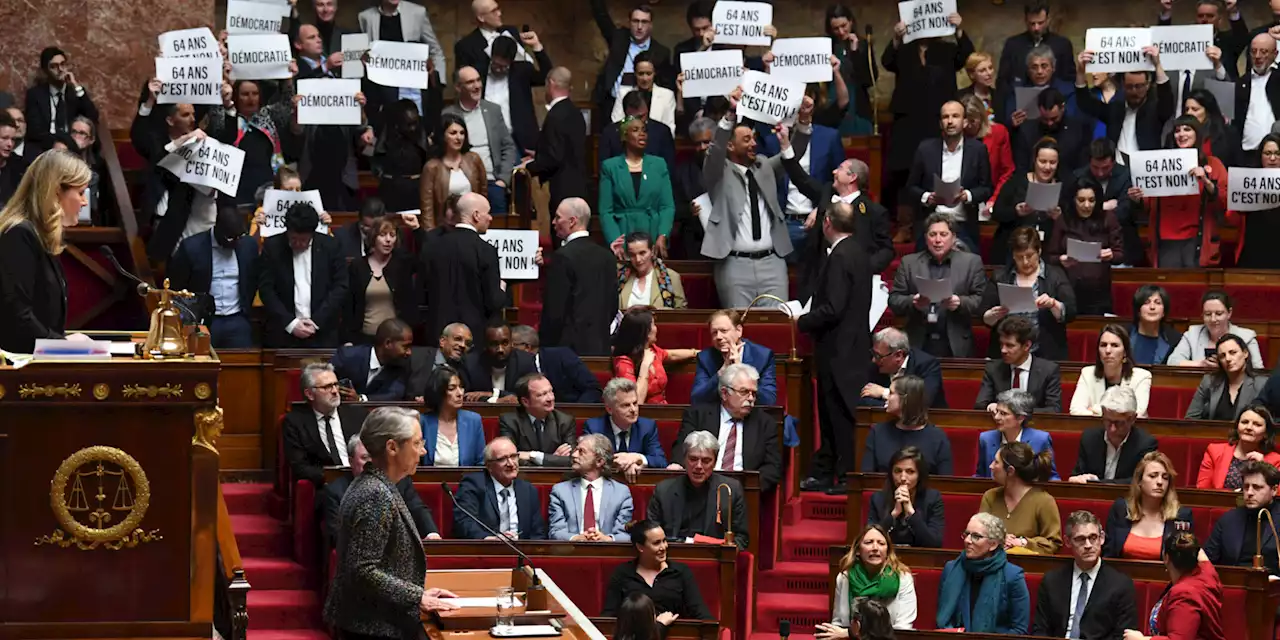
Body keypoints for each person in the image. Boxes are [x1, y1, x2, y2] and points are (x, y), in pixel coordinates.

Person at [323, 407, 459, 637]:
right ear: (392, 447)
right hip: (371, 627)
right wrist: (417, 598)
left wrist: (417, 593)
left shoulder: (376, 485)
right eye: (416, 443)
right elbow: (363, 570)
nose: (423, 451)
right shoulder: (374, 494)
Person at [882, 9, 974, 245]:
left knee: (933, 169)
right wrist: (896, 37)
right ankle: (905, 225)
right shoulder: (905, 48)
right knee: (903, 171)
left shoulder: (946, 48)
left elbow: (967, 56)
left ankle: (936, 224)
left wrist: (959, 29)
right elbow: (887, 61)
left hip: (936, 117)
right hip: (907, 118)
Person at [800, 200, 874, 494]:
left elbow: (833, 308)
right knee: (835, 414)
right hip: (849, 347)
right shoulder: (857, 251)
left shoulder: (841, 256)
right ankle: (828, 470)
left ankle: (845, 475)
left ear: (827, 222)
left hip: (840, 351)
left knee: (840, 415)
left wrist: (802, 321)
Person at [700, 88, 796, 307]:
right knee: (738, 330)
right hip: (734, 264)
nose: (754, 143)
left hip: (773, 263)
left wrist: (803, 125)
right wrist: (730, 115)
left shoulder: (764, 166)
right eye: (747, 140)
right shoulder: (717, 171)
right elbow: (714, 150)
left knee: (775, 327)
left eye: (753, 138)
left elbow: (791, 157)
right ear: (731, 146)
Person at [779, 132, 894, 302]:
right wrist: (786, 147)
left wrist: (864, 267)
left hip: (851, 286)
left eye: (840, 169)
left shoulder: (873, 211)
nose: (834, 171)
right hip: (817, 281)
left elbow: (887, 250)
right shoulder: (826, 193)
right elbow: (801, 179)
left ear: (852, 177)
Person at [0, 149, 89, 353]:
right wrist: (62, 346)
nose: (84, 202)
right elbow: (17, 317)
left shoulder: (38, 236)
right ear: (57, 191)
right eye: (81, 193)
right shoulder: (18, 234)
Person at [1131, 116, 1228, 268]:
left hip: (1197, 241)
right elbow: (1148, 204)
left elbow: (1225, 201)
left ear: (1198, 134)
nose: (1181, 134)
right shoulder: (1160, 163)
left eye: (1187, 129)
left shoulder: (1213, 164)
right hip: (1166, 240)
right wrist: (1137, 198)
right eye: (1177, 131)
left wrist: (1206, 181)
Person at [671, 363, 782, 493]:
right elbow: (682, 449)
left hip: (744, 493)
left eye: (754, 393)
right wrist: (678, 465)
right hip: (699, 489)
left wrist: (746, 488)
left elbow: (772, 467)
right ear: (724, 393)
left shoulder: (765, 423)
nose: (751, 399)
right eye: (744, 392)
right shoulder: (698, 416)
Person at [888, 213, 987, 359]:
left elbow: (981, 301)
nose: (938, 240)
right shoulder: (909, 263)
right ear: (926, 237)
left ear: (953, 237)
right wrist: (913, 301)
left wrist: (960, 302)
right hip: (919, 339)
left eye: (943, 234)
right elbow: (894, 300)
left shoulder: (971, 262)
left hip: (955, 341)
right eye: (933, 234)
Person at [1032, 511, 1138, 639]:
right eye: (1080, 539)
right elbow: (1040, 630)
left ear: (1102, 538)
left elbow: (1122, 636)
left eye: (1093, 538)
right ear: (1068, 541)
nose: (1088, 545)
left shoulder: (1121, 585)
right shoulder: (1051, 582)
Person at [323, 433, 440, 548]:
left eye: (373, 458)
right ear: (351, 461)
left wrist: (431, 532)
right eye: (364, 458)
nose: (370, 463)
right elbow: (337, 535)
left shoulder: (400, 481)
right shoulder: (336, 491)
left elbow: (417, 508)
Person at [166, 205, 259, 349]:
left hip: (236, 318)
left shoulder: (248, 245)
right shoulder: (191, 247)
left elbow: (252, 280)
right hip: (203, 320)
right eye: (230, 238)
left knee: (244, 362)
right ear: (217, 229)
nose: (235, 242)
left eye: (239, 237)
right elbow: (177, 286)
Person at [905, 101, 993, 250]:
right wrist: (928, 197)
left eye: (955, 116)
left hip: (963, 225)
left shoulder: (978, 150)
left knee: (970, 267)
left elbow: (986, 188)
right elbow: (911, 187)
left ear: (965, 122)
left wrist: (968, 195)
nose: (950, 121)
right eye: (945, 117)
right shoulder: (925, 149)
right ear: (940, 123)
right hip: (932, 223)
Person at [258, 203, 349, 348]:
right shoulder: (273, 246)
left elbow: (340, 286)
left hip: (322, 333)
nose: (298, 244)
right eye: (293, 239)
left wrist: (317, 321)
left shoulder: (331, 246)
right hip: (283, 333)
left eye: (304, 240)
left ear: (312, 233)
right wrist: (291, 323)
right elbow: (266, 290)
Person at [980, 228, 1077, 363]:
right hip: (1007, 353)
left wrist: (1053, 304)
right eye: (1019, 257)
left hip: (1046, 354)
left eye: (1030, 255)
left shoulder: (1056, 275)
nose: (1025, 262)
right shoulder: (1000, 276)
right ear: (1013, 255)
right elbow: (984, 317)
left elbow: (1071, 312)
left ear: (1039, 251)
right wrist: (994, 315)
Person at [421, 193, 504, 346]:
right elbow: (493, 302)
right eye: (488, 213)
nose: (491, 218)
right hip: (473, 338)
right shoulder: (486, 251)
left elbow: (422, 290)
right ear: (476, 215)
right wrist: (502, 288)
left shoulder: (431, 247)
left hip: (438, 333)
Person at [540, 197, 616, 356]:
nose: (554, 222)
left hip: (568, 350)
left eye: (558, 217)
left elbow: (555, 311)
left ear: (572, 221)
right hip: (600, 346)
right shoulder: (607, 256)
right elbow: (612, 306)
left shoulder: (562, 257)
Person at [647, 431, 749, 550]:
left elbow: (741, 539)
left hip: (713, 559)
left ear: (715, 462)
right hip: (671, 557)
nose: (699, 466)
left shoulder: (731, 490)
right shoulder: (663, 491)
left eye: (706, 461)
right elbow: (650, 536)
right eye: (693, 459)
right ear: (684, 459)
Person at [601, 520, 714, 621]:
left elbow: (700, 612)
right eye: (656, 543)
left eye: (664, 541)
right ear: (640, 547)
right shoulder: (622, 574)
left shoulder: (681, 572)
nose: (663, 547)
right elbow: (609, 616)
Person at [1074, 48, 1174, 162]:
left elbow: (1167, 100)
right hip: (1117, 170)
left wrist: (1158, 65)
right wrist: (1081, 71)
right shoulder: (1114, 109)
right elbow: (1085, 103)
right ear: (1122, 85)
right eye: (1129, 87)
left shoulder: (1155, 110)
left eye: (1139, 86)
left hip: (1145, 170)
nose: (1134, 91)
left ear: (1147, 85)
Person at [936, 512, 1030, 633]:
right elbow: (943, 618)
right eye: (967, 534)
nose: (968, 540)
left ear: (993, 544)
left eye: (976, 536)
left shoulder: (1013, 576)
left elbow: (1019, 630)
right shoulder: (951, 569)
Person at [1122, 531, 1224, 640]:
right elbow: (1201, 554)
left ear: (1166, 558)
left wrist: (1142, 639)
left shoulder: (1184, 595)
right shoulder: (1208, 572)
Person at [282, 363, 367, 489]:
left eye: (335, 385)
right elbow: (300, 467)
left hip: (360, 480)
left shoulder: (357, 414)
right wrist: (334, 478)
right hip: (325, 486)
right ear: (310, 394)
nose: (334, 391)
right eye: (327, 387)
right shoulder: (295, 422)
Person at [1046, 180, 1125, 315]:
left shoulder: (1108, 218)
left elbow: (1120, 254)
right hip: (1068, 288)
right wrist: (1061, 259)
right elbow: (1049, 256)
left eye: (1091, 200)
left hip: (1099, 291)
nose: (1086, 205)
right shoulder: (1064, 219)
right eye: (1081, 200)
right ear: (1073, 200)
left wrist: (1111, 254)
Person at [444, 67, 516, 214]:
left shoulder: (493, 110)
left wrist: (503, 180)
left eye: (478, 80)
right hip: (463, 184)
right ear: (458, 87)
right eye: (470, 82)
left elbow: (508, 146)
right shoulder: (448, 114)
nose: (477, 86)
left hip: (493, 183)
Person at [599, 117, 675, 251]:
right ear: (624, 136)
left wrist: (662, 235)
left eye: (644, 130)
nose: (642, 134)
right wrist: (615, 241)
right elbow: (606, 211)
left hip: (652, 234)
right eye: (635, 130)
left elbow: (667, 206)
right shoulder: (610, 167)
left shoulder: (659, 164)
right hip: (623, 234)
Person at [451, 436, 548, 539]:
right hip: (487, 551)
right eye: (502, 459)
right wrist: (489, 539)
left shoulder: (528, 490)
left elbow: (538, 532)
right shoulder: (474, 485)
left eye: (513, 456)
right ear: (489, 466)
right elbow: (464, 522)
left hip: (521, 552)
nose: (511, 464)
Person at [589, 0, 671, 119]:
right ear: (629, 22)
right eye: (635, 21)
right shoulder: (618, 38)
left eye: (644, 22)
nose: (639, 27)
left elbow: (664, 86)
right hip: (610, 103)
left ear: (651, 25)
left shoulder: (661, 52)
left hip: (642, 109)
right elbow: (601, 16)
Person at [1104, 451, 1193, 560]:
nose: (1160, 482)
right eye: (1153, 476)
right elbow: (1108, 554)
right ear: (1139, 481)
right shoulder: (1121, 509)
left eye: (1165, 477)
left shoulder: (1181, 515)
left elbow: (1184, 561)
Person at [827, 524, 918, 631]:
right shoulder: (844, 578)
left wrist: (849, 635)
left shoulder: (903, 578)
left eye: (881, 543)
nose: (875, 548)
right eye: (868, 542)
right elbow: (838, 622)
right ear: (858, 550)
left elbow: (903, 629)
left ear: (887, 551)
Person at [345, 216, 419, 345]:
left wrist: (416, 230)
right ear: (374, 238)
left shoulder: (402, 264)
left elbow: (426, 255)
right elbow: (350, 305)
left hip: (396, 340)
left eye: (392, 235)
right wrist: (348, 340)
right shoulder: (358, 266)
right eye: (383, 235)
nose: (388, 240)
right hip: (364, 338)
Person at [991, 138, 1065, 265]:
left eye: (1052, 162)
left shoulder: (1064, 188)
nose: (1047, 167)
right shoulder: (1016, 182)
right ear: (1034, 161)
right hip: (1012, 250)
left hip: (1046, 253)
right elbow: (997, 213)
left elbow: (1072, 225)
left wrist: (1059, 218)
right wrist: (1016, 212)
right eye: (1043, 161)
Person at [861, 375, 954, 476]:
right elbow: (867, 479)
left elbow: (945, 482)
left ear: (905, 399)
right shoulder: (877, 432)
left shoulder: (937, 438)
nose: (887, 397)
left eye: (891, 393)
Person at [548, 434, 634, 541]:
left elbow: (624, 534)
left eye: (581, 452)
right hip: (572, 551)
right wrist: (576, 538)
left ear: (599, 461)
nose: (574, 455)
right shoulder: (560, 491)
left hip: (608, 552)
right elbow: (556, 531)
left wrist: (607, 539)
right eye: (575, 450)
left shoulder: (621, 493)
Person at [1069, 138, 1140, 267]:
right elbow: (1073, 212)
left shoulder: (1127, 175)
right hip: (1086, 243)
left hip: (1120, 246)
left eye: (1105, 168)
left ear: (1113, 162)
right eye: (1095, 167)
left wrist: (1089, 210)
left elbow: (1124, 212)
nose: (1100, 172)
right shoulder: (1078, 176)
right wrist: (1104, 206)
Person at [980, 442, 1062, 555]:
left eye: (996, 462)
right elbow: (978, 534)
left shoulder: (1044, 501)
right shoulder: (990, 497)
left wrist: (1022, 542)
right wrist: (999, 540)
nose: (991, 466)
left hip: (1029, 567)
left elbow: (1053, 543)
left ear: (1010, 471)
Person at [524, 67, 587, 213]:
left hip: (561, 190)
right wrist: (540, 153)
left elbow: (553, 158)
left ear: (550, 83)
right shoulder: (575, 113)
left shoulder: (554, 116)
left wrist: (528, 167)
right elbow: (568, 149)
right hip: (579, 187)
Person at [973, 316, 1064, 413]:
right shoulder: (993, 368)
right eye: (1001, 344)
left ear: (1027, 345)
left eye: (1010, 345)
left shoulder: (1048, 370)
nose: (1003, 350)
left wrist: (1016, 412)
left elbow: (1054, 409)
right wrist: (990, 406)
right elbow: (980, 404)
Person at [1069, 386, 1159, 484]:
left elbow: (1140, 481)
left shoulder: (1145, 444)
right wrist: (1077, 479)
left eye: (1119, 423)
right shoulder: (1089, 438)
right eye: (1108, 421)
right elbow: (1077, 474)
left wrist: (1098, 483)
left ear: (1133, 419)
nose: (1112, 429)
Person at [611, 306, 699, 405]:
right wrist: (644, 367)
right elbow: (635, 403)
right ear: (646, 332)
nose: (656, 328)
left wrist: (696, 353)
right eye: (653, 325)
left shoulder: (653, 350)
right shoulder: (624, 362)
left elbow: (671, 355)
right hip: (642, 416)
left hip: (663, 411)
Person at [1204, 460, 1280, 572]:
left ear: (1273, 490)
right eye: (1246, 487)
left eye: (1257, 487)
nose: (1249, 492)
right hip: (1233, 583)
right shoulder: (1228, 520)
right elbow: (1208, 561)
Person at [583, 377, 668, 476]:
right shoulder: (594, 428)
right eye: (626, 405)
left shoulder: (647, 427)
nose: (633, 409)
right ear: (609, 409)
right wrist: (624, 463)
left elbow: (661, 461)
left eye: (635, 403)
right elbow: (587, 461)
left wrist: (637, 458)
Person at [23, 47, 100, 156]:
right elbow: (35, 131)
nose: (60, 69)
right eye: (54, 66)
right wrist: (60, 142)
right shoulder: (35, 95)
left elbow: (92, 117)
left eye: (63, 64)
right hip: (45, 149)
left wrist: (76, 86)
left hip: (73, 148)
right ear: (45, 71)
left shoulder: (74, 93)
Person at [691, 310, 777, 406]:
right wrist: (721, 372)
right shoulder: (705, 358)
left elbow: (769, 400)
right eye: (714, 333)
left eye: (724, 331)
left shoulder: (762, 356)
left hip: (752, 416)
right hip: (718, 417)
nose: (718, 337)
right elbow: (696, 399)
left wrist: (740, 369)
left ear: (739, 331)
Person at [485, 35, 553, 155]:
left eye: (504, 66)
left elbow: (547, 76)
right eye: (496, 64)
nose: (499, 70)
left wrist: (537, 47)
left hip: (518, 140)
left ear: (512, 62)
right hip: (487, 138)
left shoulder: (522, 71)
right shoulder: (479, 72)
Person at [865, 447, 945, 549]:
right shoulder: (877, 499)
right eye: (897, 471)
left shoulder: (933, 499)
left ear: (919, 475)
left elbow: (935, 543)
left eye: (910, 472)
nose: (903, 478)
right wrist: (894, 514)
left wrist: (911, 513)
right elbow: (869, 540)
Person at [995, 1, 1076, 98]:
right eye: (1032, 23)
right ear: (1025, 20)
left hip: (1055, 102)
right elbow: (1003, 81)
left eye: (1040, 23)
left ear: (1048, 19)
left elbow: (1069, 79)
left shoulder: (1062, 44)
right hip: (1019, 102)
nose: (1036, 28)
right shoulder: (1013, 44)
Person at [356, 0, 447, 86]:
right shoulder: (365, 17)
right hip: (379, 85)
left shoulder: (417, 13)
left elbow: (435, 50)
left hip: (410, 84)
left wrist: (439, 80)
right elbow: (361, 51)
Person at [420, 113, 486, 230]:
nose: (459, 137)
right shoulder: (432, 167)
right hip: (444, 229)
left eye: (462, 133)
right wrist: (430, 236)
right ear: (443, 136)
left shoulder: (474, 160)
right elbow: (427, 209)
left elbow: (483, 196)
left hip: (471, 227)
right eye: (453, 133)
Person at [1071, 325, 1153, 418]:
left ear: (1125, 352)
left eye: (1115, 345)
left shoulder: (1141, 377)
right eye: (1103, 345)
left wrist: (1094, 409)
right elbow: (1075, 410)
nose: (1108, 350)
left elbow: (1137, 413)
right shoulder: (1087, 373)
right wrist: (1120, 412)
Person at [976, 390, 1059, 480]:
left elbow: (1051, 477)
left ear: (1020, 418)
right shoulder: (986, 439)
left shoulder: (1040, 439)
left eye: (1003, 413)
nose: (996, 417)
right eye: (997, 411)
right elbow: (981, 475)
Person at [498, 373, 577, 466]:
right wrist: (553, 459)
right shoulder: (509, 422)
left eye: (551, 391)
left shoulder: (565, 421)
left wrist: (534, 456)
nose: (550, 398)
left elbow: (572, 460)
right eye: (542, 394)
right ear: (525, 402)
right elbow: (510, 459)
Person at [1169, 291, 1264, 368]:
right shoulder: (1192, 334)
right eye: (1208, 314)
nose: (1213, 319)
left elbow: (1258, 371)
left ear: (1229, 313)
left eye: (1218, 313)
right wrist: (1201, 364)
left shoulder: (1246, 337)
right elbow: (1172, 362)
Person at [329, 319, 418, 401]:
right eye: (405, 346)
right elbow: (324, 380)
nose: (409, 352)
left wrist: (360, 399)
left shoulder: (402, 365)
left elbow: (394, 394)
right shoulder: (348, 356)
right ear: (388, 343)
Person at [510, 324, 602, 404]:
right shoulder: (515, 366)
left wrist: (577, 410)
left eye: (513, 345)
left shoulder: (561, 356)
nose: (510, 350)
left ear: (527, 347)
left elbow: (592, 388)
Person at [1185, 334, 1270, 421]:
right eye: (1222, 356)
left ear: (1245, 353)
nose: (1228, 359)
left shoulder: (1261, 384)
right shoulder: (1209, 381)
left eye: (1233, 353)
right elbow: (1191, 418)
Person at [1227, 133, 1280, 268]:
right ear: (1260, 156)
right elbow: (1231, 219)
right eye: (1267, 153)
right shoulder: (1247, 182)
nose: (1272, 158)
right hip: (1253, 253)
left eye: (1277, 153)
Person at [861, 328, 946, 410]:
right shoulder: (875, 366)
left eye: (878, 356)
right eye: (874, 354)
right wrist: (896, 407)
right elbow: (864, 400)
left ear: (898, 355)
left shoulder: (926, 365)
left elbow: (922, 401)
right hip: (885, 421)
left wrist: (885, 393)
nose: (874, 360)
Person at [1198, 404, 1280, 489]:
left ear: (1266, 433)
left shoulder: (1276, 461)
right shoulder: (1214, 451)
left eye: (1257, 424)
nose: (1249, 427)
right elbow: (1202, 490)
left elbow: (1277, 494)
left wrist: (1263, 469)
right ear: (1237, 427)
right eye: (1244, 422)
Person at [419, 365, 486, 467]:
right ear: (438, 392)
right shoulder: (422, 422)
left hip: (467, 481)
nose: (460, 393)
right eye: (452, 388)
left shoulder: (473, 421)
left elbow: (481, 462)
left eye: (461, 387)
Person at [374, 99, 430, 213]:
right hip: (391, 191)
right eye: (408, 124)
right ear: (397, 124)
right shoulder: (387, 137)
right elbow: (377, 163)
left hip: (416, 190)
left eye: (415, 123)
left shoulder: (421, 136)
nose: (413, 128)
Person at [959, 93, 1013, 207]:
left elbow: (1007, 171)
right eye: (965, 121)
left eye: (972, 121)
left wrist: (994, 199)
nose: (968, 126)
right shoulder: (956, 137)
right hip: (962, 198)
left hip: (991, 196)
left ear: (981, 117)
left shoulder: (998, 132)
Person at [1234, 33, 1280, 165]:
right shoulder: (1241, 82)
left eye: (1264, 51)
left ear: (1275, 54)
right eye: (1253, 51)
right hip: (1247, 152)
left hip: (1276, 155)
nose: (1258, 56)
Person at [462, 321, 538, 401]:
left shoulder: (525, 362)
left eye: (505, 343)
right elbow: (464, 396)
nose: (500, 350)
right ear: (485, 345)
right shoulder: (470, 363)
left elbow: (532, 395)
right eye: (494, 344)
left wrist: (494, 394)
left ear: (512, 342)